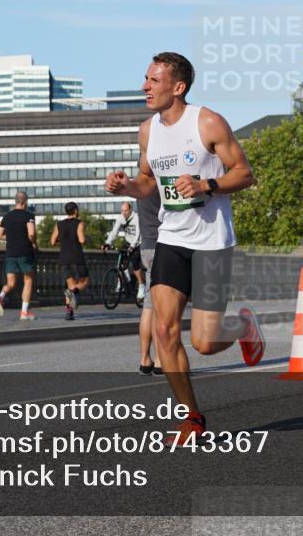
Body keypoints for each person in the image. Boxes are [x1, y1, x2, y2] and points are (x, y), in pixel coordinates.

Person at [105, 51, 263, 444]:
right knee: (164, 330)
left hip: (212, 243)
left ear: (178, 87)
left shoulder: (206, 121)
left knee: (205, 342)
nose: (145, 86)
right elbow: (147, 183)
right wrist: (126, 187)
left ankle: (244, 326)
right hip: (171, 240)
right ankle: (192, 417)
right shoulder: (147, 131)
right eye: (145, 78)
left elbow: (244, 173)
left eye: (153, 81)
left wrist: (206, 184)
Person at [0, 191, 38, 321]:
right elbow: (31, 233)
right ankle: (24, 312)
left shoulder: (7, 216)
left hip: (10, 253)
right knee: (28, 280)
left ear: (16, 201)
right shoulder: (28, 216)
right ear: (25, 202)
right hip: (25, 251)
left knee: (11, 283)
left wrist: (13, 237)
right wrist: (34, 242)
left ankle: (1, 296)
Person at [136, 190, 163, 375]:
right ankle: (161, 361)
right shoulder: (158, 183)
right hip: (163, 244)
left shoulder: (139, 188)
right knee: (163, 306)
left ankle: (145, 360)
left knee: (148, 304)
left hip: (145, 246)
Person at [50, 201, 88, 320]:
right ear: (76, 210)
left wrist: (63, 241)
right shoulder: (79, 223)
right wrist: (86, 238)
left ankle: (69, 312)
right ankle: (74, 292)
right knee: (84, 281)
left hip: (64, 258)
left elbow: (52, 241)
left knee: (70, 285)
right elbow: (81, 240)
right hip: (76, 257)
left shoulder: (59, 224)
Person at [104, 201, 146, 301]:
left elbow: (138, 234)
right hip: (128, 241)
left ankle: (141, 285)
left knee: (135, 261)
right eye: (122, 210)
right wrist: (108, 243)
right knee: (121, 262)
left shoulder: (137, 218)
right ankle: (123, 281)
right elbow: (114, 231)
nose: (124, 213)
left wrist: (132, 246)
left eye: (126, 210)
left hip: (138, 242)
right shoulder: (121, 218)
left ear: (130, 210)